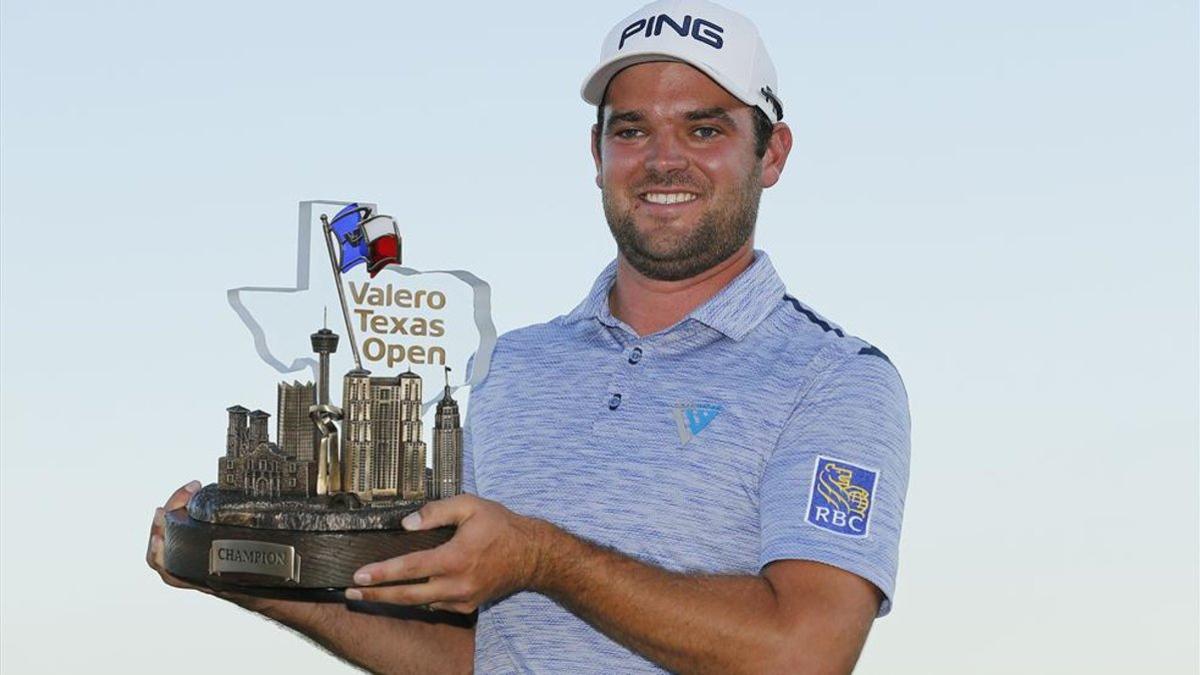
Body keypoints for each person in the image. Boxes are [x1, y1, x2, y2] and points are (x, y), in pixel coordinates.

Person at [146, 1, 911, 672]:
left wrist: (543, 558)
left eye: (704, 128)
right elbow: (471, 655)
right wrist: (258, 577)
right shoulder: (513, 365)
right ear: (597, 154)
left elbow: (803, 652)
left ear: (770, 154)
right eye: (632, 130)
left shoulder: (836, 377)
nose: (663, 159)